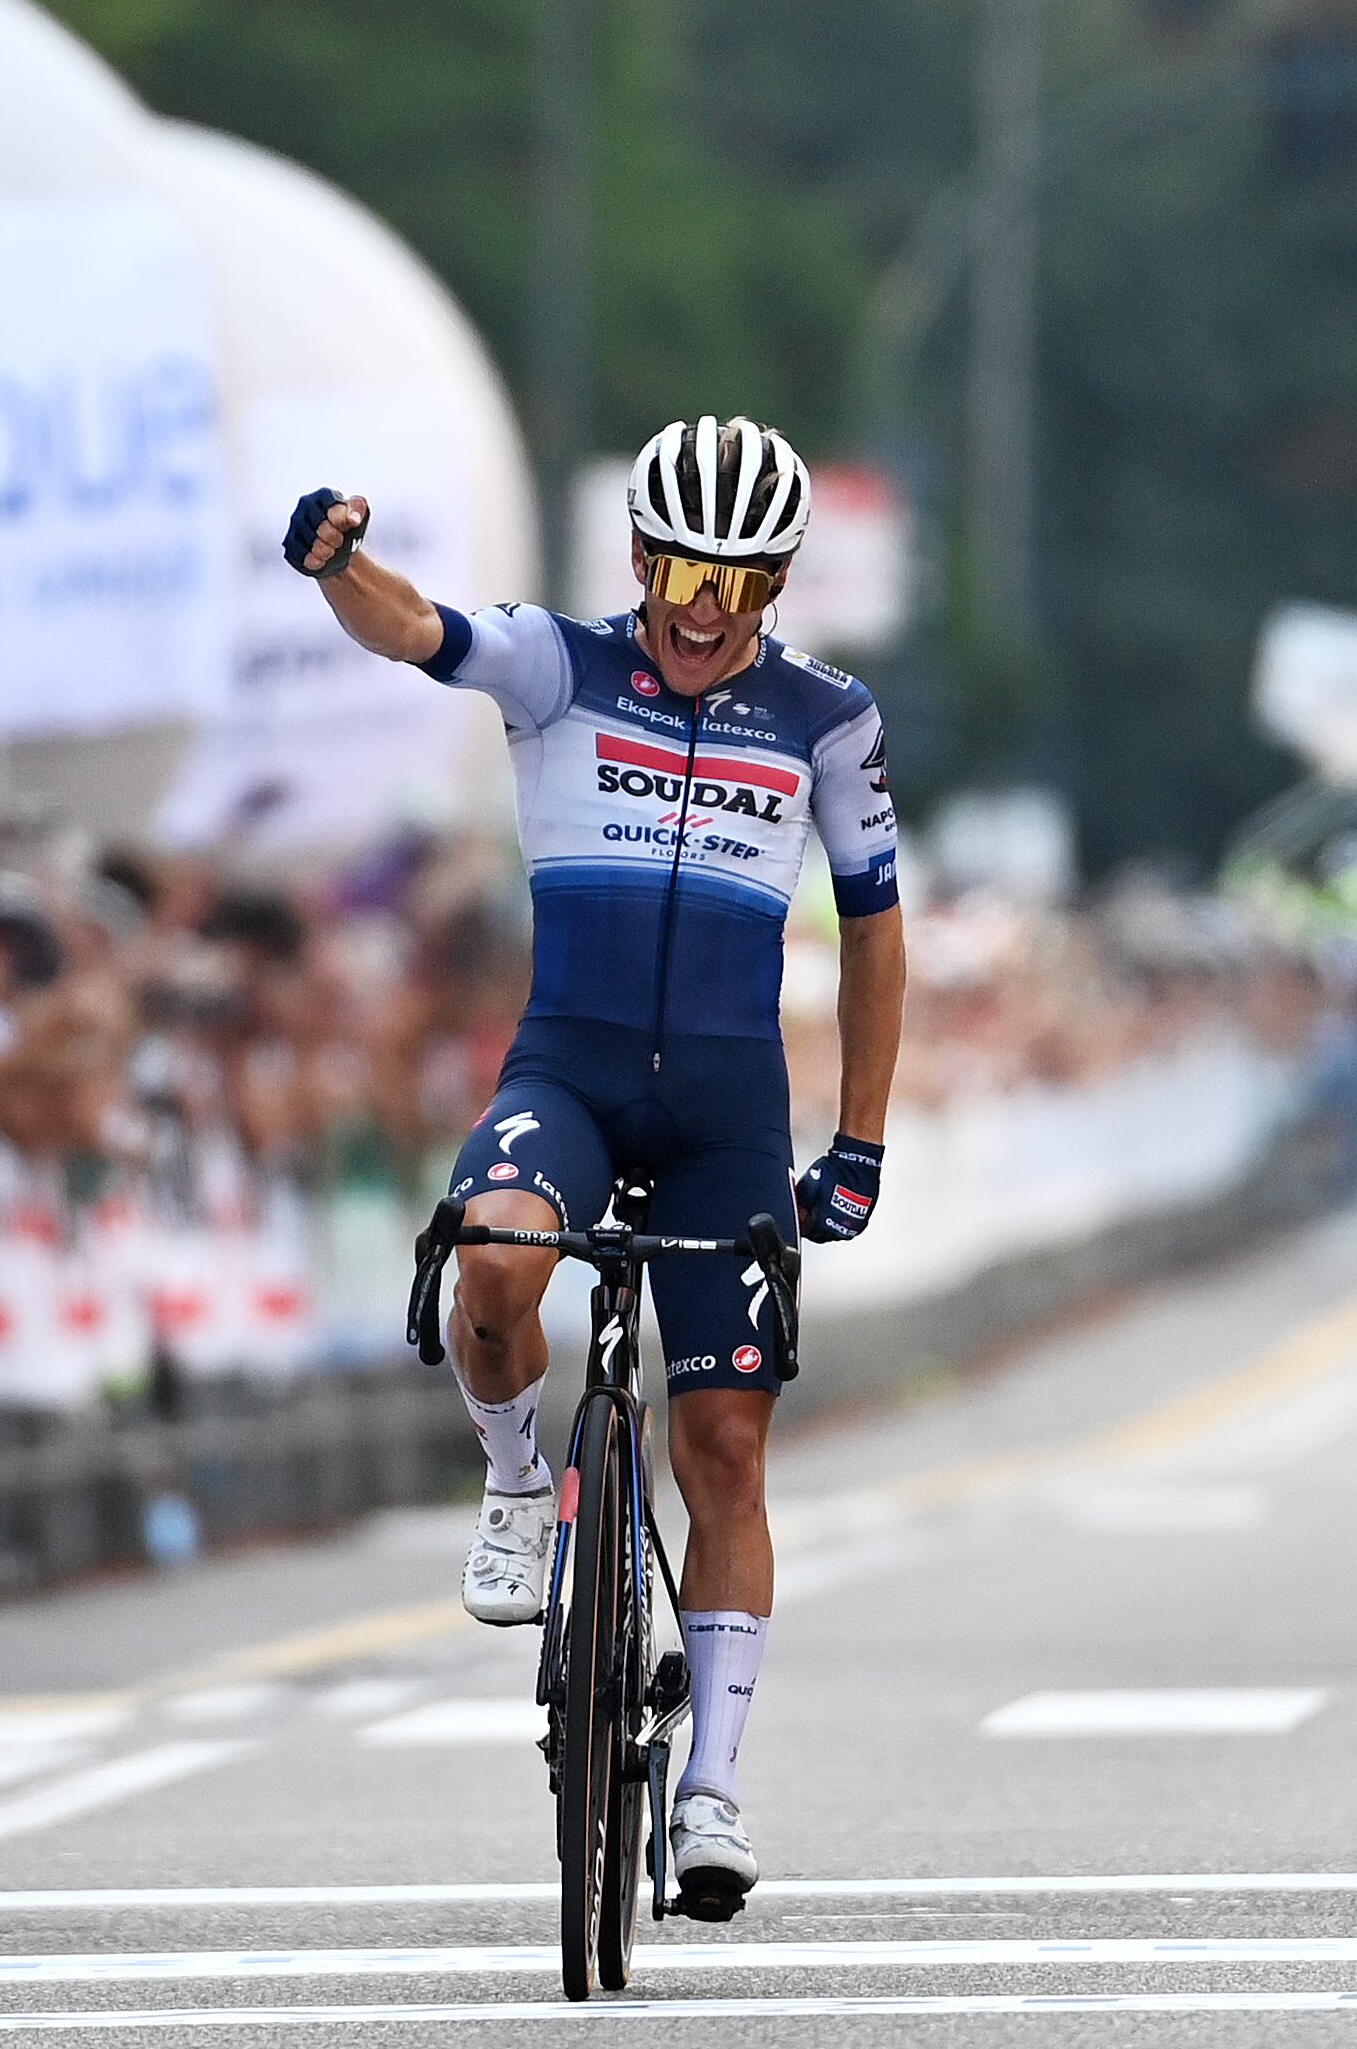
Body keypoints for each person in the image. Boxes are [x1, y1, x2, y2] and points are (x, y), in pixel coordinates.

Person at [288, 415, 904, 1919]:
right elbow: (413, 628)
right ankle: (512, 1475)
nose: (707, 606)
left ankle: (710, 1791)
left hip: (722, 1111)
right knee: (492, 1257)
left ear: (776, 586)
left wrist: (860, 1135)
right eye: (685, 566)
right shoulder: (560, 667)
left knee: (727, 1449)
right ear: (637, 557)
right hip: (564, 1069)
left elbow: (878, 930)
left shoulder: (824, 716)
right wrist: (334, 562)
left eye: (743, 579)